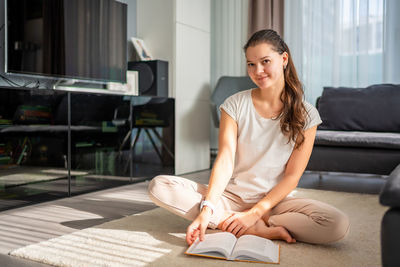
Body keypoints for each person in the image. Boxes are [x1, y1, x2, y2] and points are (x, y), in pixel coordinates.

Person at [148, 29, 349, 245]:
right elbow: (225, 160)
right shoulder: (233, 105)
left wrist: (255, 212)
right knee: (159, 186)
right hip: (231, 199)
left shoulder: (307, 115)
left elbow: (292, 177)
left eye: (265, 61)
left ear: (283, 59)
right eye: (251, 64)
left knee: (336, 225)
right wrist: (208, 209)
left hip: (275, 202)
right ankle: (253, 228)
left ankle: (250, 222)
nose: (258, 70)